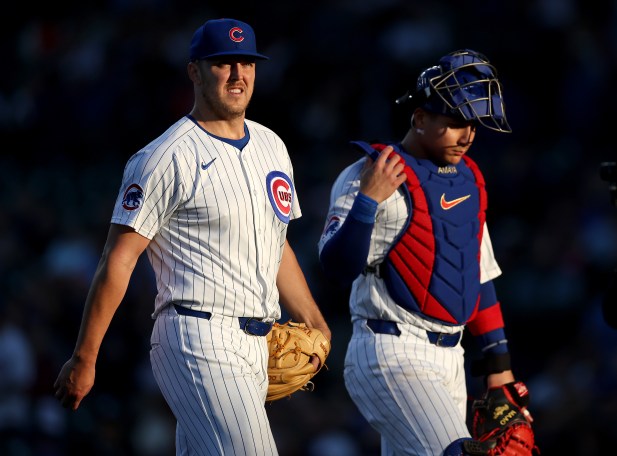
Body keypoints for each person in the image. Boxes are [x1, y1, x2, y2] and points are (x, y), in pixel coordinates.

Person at [54, 17, 331, 456]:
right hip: (197, 336)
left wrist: (314, 319)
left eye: (247, 63)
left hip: (258, 342)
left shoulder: (272, 146)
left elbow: (275, 243)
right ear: (195, 71)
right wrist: (85, 357)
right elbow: (118, 260)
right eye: (224, 63)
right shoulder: (164, 156)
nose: (238, 75)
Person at [318, 49, 528, 455]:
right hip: (391, 350)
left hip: (452, 360)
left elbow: (476, 274)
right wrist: (367, 202)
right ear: (419, 118)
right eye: (454, 124)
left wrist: (499, 366)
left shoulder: (468, 179)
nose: (467, 136)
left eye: (472, 125)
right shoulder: (372, 173)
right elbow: (335, 268)